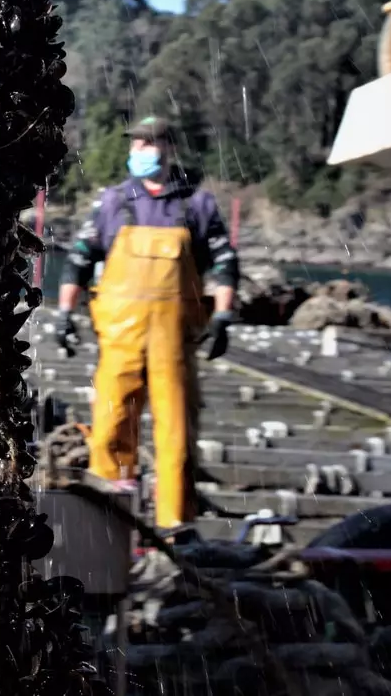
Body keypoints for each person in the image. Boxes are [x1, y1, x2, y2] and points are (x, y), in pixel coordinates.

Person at [55, 116, 239, 531]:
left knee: (177, 440)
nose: (139, 151)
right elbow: (80, 259)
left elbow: (225, 262)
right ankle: (107, 528)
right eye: (136, 144)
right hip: (119, 345)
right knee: (109, 432)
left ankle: (178, 530)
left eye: (148, 144)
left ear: (168, 149)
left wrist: (224, 315)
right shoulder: (113, 202)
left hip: (174, 347)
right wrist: (64, 315)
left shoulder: (197, 205)